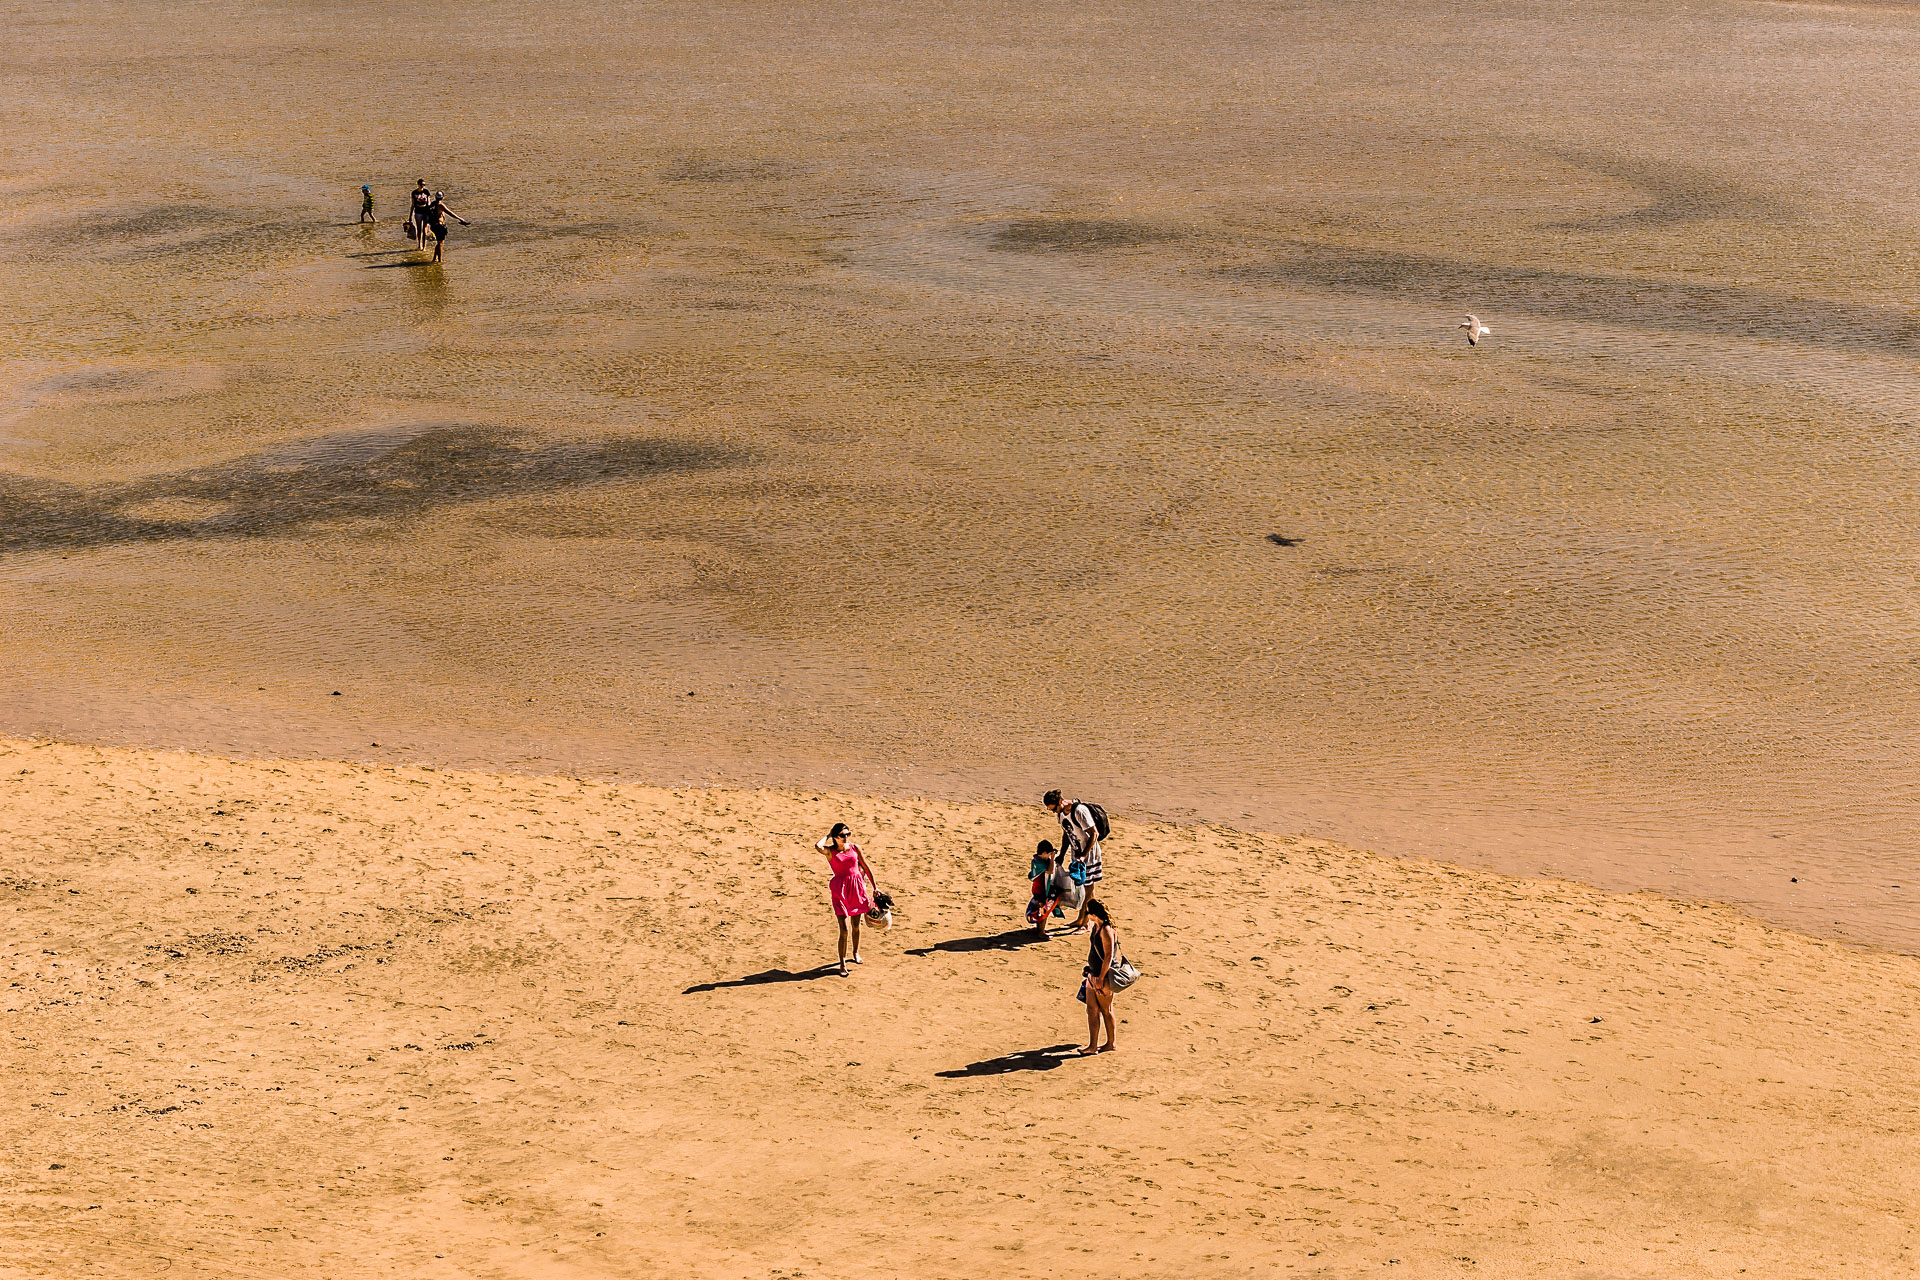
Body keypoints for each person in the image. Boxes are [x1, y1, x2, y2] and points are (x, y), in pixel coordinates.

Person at [815, 822, 879, 976]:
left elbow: (865, 865)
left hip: (857, 888)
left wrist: (875, 886)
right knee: (844, 929)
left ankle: (855, 953)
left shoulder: (855, 848)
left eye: (848, 834)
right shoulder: (830, 852)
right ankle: (842, 963)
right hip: (840, 891)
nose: (846, 838)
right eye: (842, 835)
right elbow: (817, 846)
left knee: (856, 925)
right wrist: (828, 835)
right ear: (835, 837)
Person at [1044, 790, 1103, 931]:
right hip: (1076, 855)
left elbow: (1094, 833)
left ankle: (1084, 923)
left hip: (1089, 856)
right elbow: (1067, 834)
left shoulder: (1079, 811)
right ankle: (1084, 920)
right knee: (1086, 889)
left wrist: (1083, 855)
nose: (1054, 812)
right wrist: (1062, 854)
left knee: (1087, 890)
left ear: (1060, 802)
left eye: (1054, 809)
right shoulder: (1061, 814)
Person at [1078, 897, 1119, 1055]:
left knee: (1106, 1010)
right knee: (1091, 1009)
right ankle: (1092, 1046)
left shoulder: (1106, 930)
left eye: (1088, 912)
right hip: (1093, 975)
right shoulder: (1096, 927)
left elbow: (1108, 956)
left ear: (1094, 914)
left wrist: (1101, 978)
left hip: (1104, 977)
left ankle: (1111, 1043)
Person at [424, 192, 469, 263]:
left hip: (433, 226)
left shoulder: (432, 204)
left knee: (438, 242)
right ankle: (440, 260)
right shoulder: (440, 205)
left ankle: (434, 258)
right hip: (440, 226)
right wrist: (460, 219)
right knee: (440, 243)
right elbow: (450, 213)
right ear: (442, 197)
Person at [408, 180, 432, 246]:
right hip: (418, 212)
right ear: (418, 184)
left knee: (424, 229)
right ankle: (419, 245)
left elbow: (429, 203)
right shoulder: (414, 193)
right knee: (419, 229)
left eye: (424, 185)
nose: (423, 186)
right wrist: (410, 216)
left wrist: (430, 213)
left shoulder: (426, 192)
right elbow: (412, 205)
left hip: (425, 212)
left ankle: (424, 246)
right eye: (421, 184)